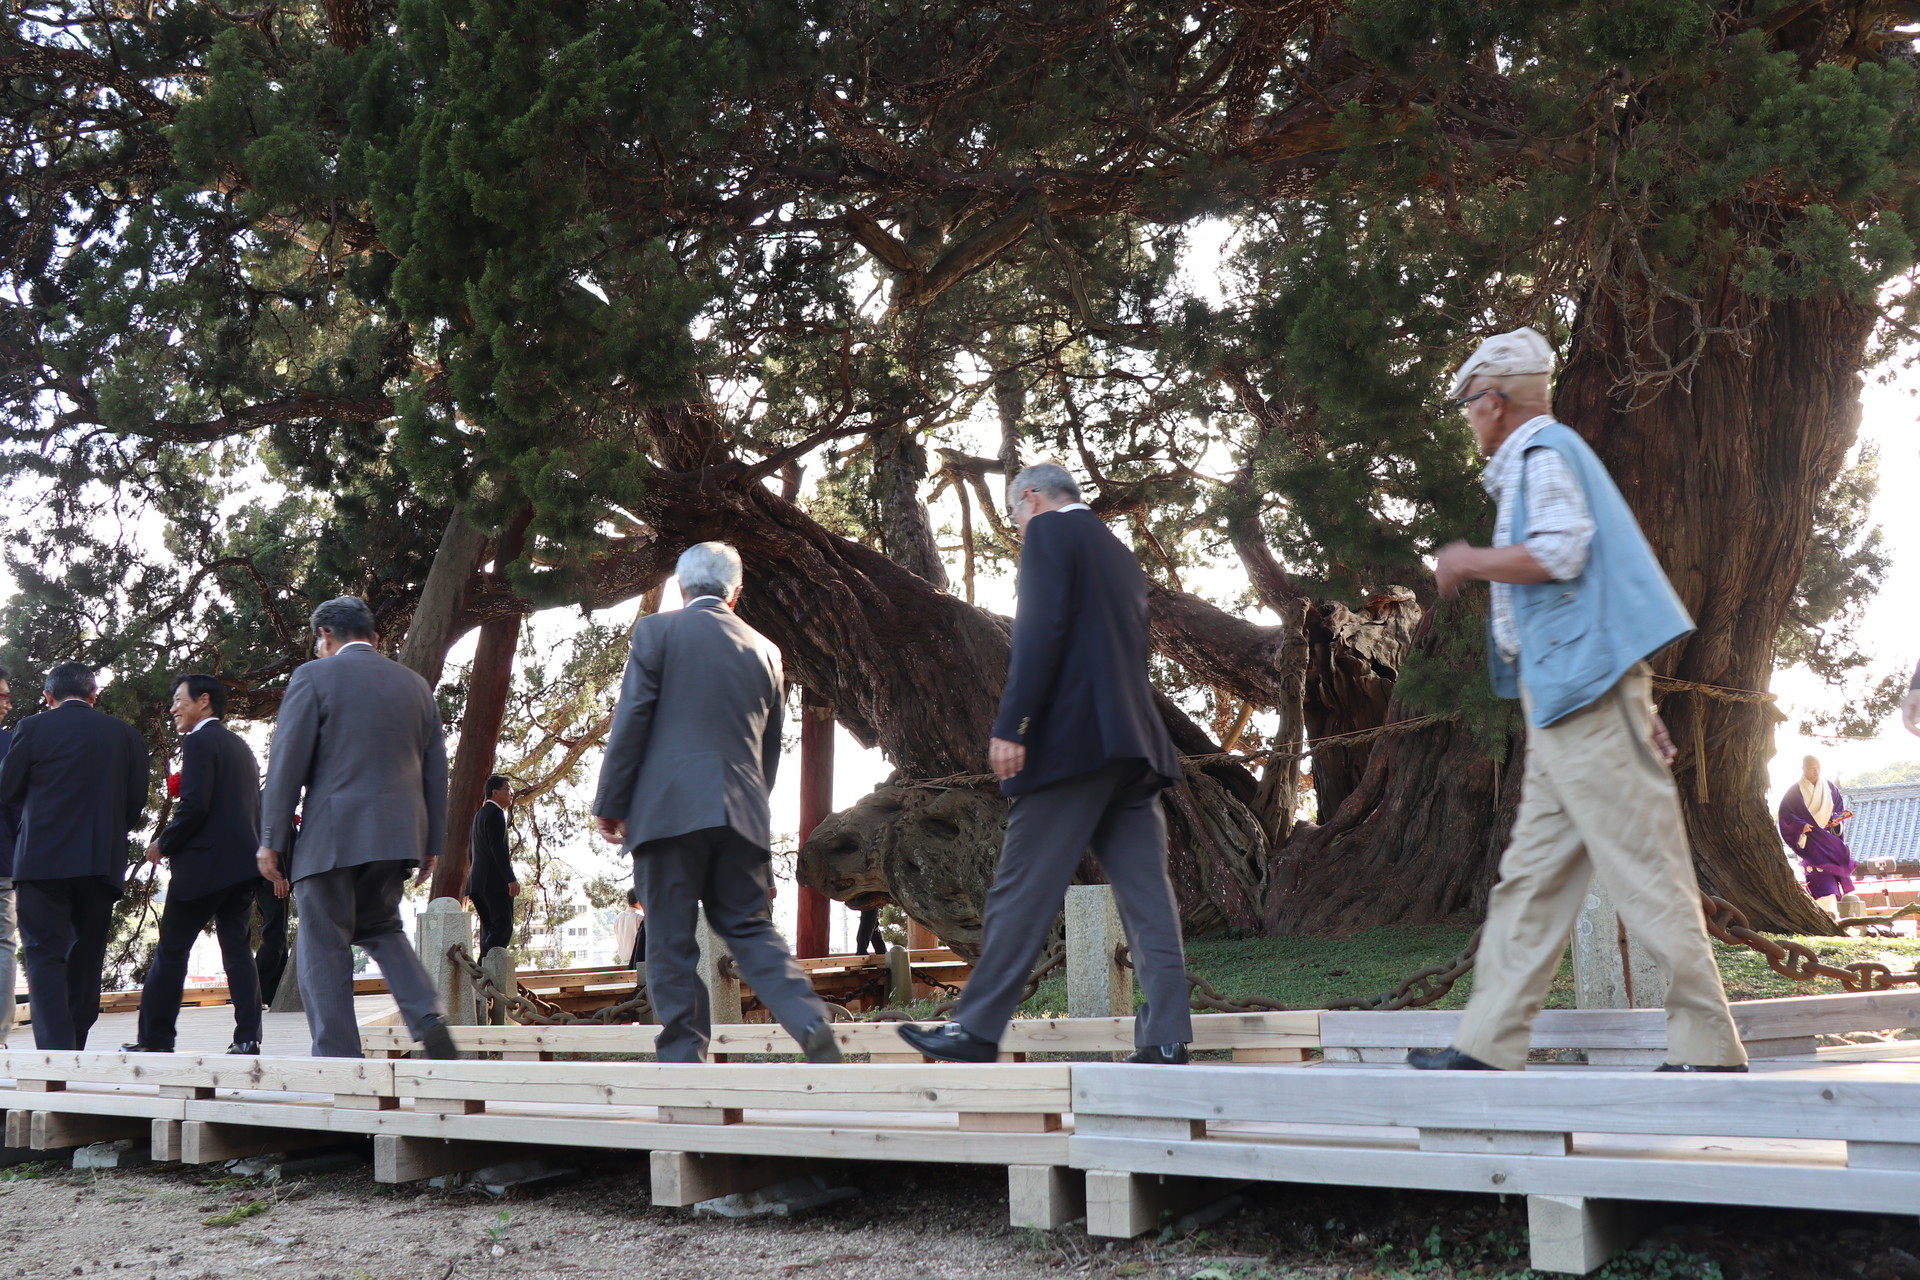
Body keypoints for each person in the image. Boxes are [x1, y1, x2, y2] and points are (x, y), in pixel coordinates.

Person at [1408, 326, 1746, 1074]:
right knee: (1530, 878)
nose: (1467, 416)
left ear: (1494, 402)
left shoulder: (1543, 455)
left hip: (1584, 702)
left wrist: (1468, 560)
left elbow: (1564, 552)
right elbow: (1598, 587)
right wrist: (1636, 696)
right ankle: (1486, 1042)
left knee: (1644, 867)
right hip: (1568, 703)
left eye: (1468, 402)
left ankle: (1708, 1045)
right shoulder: (1542, 459)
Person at [898, 463, 1194, 1066]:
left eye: (1013, 514)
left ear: (1031, 499)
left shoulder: (1050, 536)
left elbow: (1038, 632)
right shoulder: (1117, 551)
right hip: (1133, 748)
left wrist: (1015, 724)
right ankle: (1167, 1035)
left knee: (1021, 887)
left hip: (1070, 743)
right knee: (1147, 895)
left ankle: (977, 1029)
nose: (1016, 524)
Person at [591, 542, 839, 1064]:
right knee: (750, 928)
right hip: (741, 814)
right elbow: (770, 748)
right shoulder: (767, 650)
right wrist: (748, 809)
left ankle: (684, 1058)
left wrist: (612, 801)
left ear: (682, 588)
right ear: (737, 591)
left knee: (670, 940)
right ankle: (808, 1020)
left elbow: (633, 717)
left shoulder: (657, 633)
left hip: (667, 814)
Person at [257, 597, 456, 1059]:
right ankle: (426, 1013)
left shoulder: (313, 677)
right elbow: (435, 771)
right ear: (376, 638)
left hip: (331, 834)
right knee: (383, 928)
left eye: (317, 641)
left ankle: (339, 1058)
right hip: (395, 838)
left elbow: (287, 763)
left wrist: (271, 840)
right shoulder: (415, 686)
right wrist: (432, 843)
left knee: (323, 944)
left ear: (325, 635)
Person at [0, 662, 150, 1050]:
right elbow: (134, 808)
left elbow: (8, 789)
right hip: (100, 862)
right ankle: (77, 1046)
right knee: (87, 959)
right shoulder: (126, 735)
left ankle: (54, 1053)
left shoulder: (31, 728)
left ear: (48, 697)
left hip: (41, 862)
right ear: (93, 695)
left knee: (44, 958)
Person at [122, 674, 265, 1054]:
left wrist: (164, 842)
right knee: (237, 952)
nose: (172, 708)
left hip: (204, 868)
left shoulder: (199, 740)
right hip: (243, 867)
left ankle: (155, 1039)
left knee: (171, 951)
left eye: (178, 700)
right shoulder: (240, 746)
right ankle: (248, 1037)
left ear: (204, 701)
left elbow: (196, 804)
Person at [1778, 755, 1855, 915]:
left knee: (1831, 872)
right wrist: (1800, 825)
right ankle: (1825, 912)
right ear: (1803, 769)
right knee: (1817, 874)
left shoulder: (1830, 788)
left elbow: (1839, 809)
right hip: (1810, 840)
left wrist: (1836, 819)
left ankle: (1832, 913)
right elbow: (1786, 815)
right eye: (1811, 768)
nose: (1815, 771)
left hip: (1827, 837)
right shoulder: (1794, 791)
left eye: (1818, 768)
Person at [466, 774, 520, 955]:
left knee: (488, 928)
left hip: (476, 883)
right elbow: (498, 849)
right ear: (495, 792)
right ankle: (484, 968)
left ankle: (482, 973)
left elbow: (471, 851)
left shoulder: (479, 815)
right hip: (494, 883)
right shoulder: (496, 814)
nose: (511, 793)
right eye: (508, 790)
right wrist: (510, 878)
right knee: (503, 926)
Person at [0, 667, 20, 1047]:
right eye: (2, 695)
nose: (8, 703)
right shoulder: (10, 745)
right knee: (2, 945)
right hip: (2, 859)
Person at [613, 888, 647, 968]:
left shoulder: (618, 918)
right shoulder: (641, 918)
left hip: (623, 963)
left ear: (628, 900)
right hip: (638, 964)